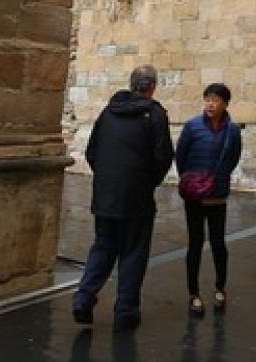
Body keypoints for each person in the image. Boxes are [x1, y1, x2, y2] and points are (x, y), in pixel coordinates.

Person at [73, 65, 175, 331]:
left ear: (132, 84)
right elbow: (163, 157)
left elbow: (92, 151)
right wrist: (145, 182)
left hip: (105, 195)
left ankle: (84, 297)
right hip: (136, 196)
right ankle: (126, 311)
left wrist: (107, 179)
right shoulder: (154, 114)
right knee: (133, 251)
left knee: (103, 246)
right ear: (152, 87)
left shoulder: (108, 112)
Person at [175, 82, 243, 317]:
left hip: (217, 194)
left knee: (217, 243)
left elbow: (233, 158)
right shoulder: (192, 126)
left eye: (214, 100)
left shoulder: (232, 130)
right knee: (195, 242)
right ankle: (193, 292)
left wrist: (217, 179)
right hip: (194, 195)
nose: (210, 104)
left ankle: (220, 287)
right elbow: (180, 157)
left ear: (225, 103)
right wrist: (193, 179)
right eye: (207, 99)